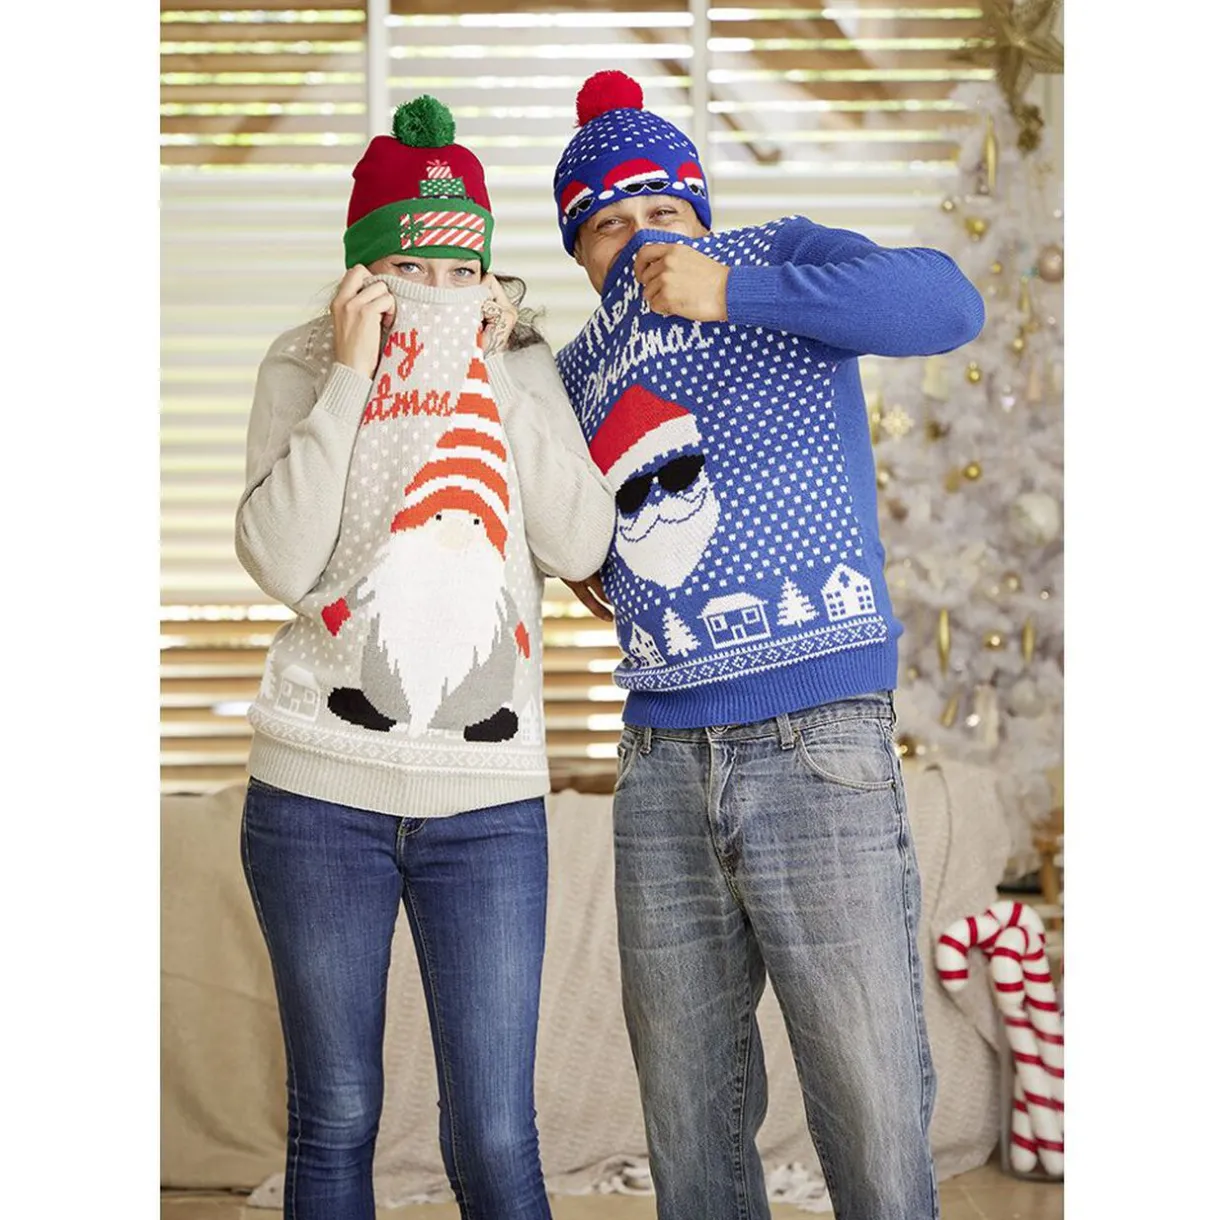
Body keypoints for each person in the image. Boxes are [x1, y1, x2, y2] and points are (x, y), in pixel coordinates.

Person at [551, 70, 986, 1220]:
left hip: (817, 741)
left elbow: (946, 306)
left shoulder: (777, 259)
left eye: (657, 209)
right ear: (578, 254)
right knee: (689, 1112)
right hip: (657, 763)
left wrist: (731, 287)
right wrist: (579, 552)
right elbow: (545, 508)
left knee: (869, 1094)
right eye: (604, 223)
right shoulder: (574, 369)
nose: (636, 236)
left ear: (697, 207)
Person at [234, 94, 614, 1220]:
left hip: (487, 800)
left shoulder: (524, 366)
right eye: (408, 267)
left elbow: (581, 540)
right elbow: (279, 558)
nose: (437, 297)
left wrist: (489, 373)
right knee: (335, 1112)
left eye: (460, 272)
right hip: (313, 787)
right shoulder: (301, 366)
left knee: (494, 1132)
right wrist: (353, 377)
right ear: (361, 272)